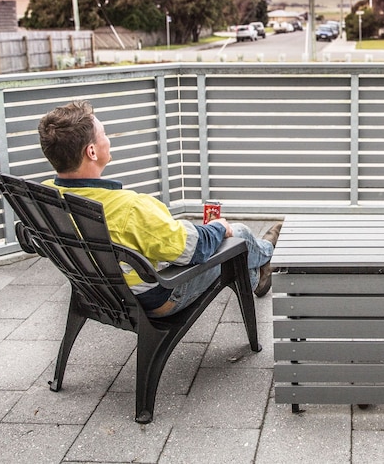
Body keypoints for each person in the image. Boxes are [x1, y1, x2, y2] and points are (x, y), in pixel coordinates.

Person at [37, 100, 278, 318]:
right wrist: (217, 226)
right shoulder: (130, 208)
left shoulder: (44, 197)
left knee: (229, 243)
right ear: (91, 151)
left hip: (96, 290)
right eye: (104, 134)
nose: (108, 139)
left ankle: (259, 269)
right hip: (155, 298)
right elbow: (194, 249)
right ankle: (268, 256)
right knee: (239, 235)